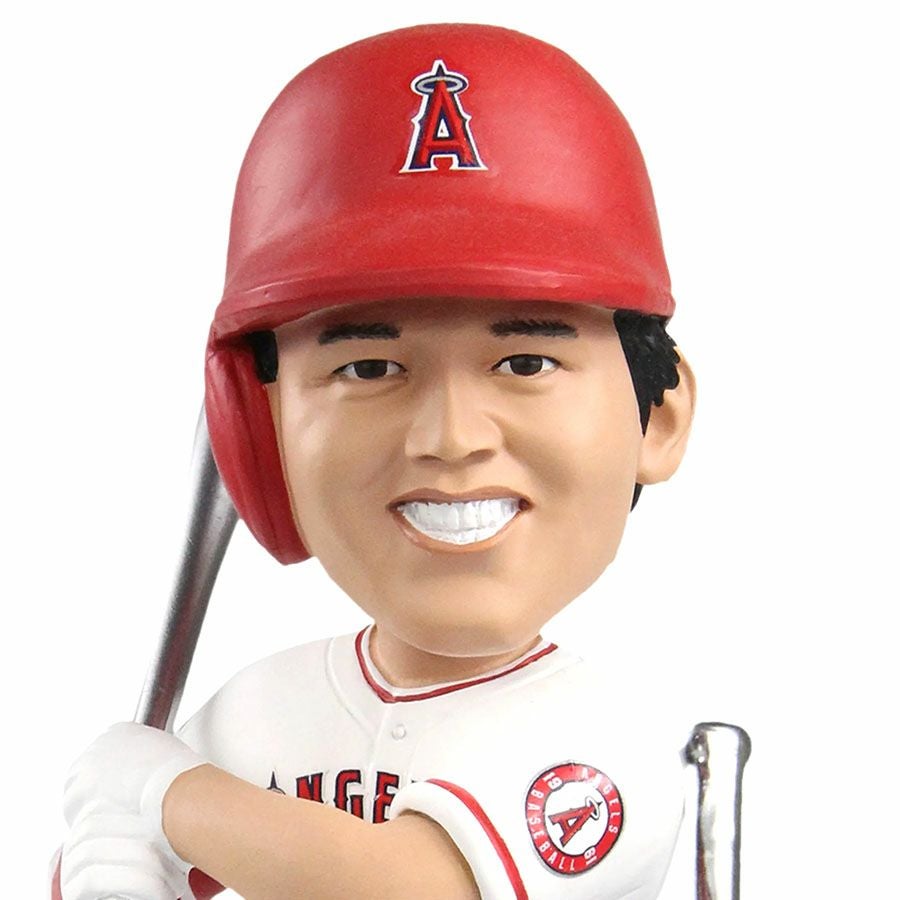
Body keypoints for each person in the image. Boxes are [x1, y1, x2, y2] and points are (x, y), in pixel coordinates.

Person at [60, 23, 697, 900]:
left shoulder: (602, 741)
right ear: (258, 437)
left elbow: (409, 888)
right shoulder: (256, 712)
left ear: (658, 419)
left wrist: (160, 793)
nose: (451, 437)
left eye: (525, 363)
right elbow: (130, 855)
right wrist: (107, 863)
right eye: (368, 369)